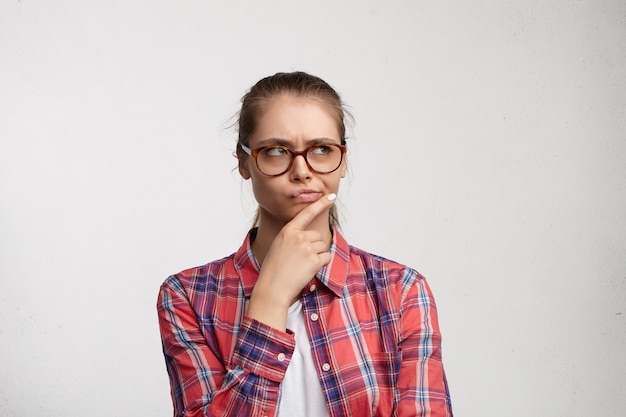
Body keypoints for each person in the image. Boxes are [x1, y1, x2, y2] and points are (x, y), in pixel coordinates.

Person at [157, 71, 453, 417]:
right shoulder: (188, 296)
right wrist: (271, 297)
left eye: (322, 149)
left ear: (342, 161)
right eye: (277, 151)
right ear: (244, 162)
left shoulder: (400, 290)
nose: (302, 170)